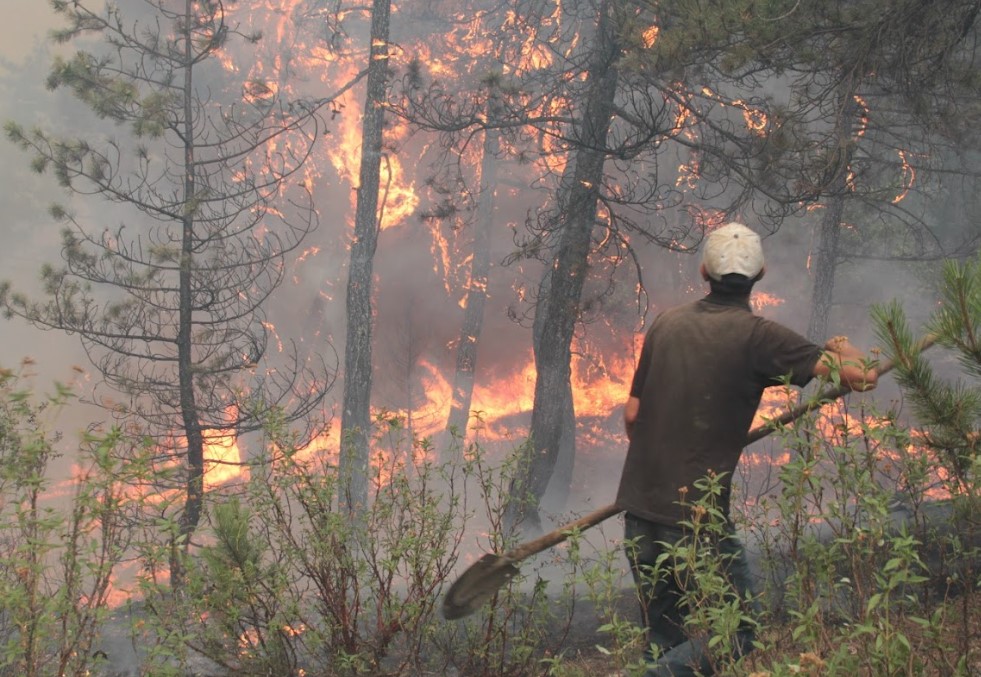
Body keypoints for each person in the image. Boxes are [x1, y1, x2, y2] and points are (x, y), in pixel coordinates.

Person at [616, 222, 878, 676]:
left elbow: (634, 416)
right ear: (760, 273)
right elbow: (863, 376)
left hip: (639, 510)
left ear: (703, 270)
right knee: (738, 631)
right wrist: (841, 345)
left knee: (664, 636)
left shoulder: (666, 323)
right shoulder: (760, 337)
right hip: (695, 518)